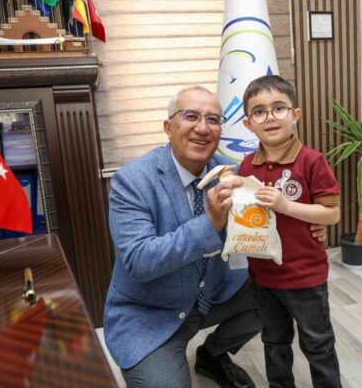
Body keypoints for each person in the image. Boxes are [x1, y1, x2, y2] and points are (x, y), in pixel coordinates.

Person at [104, 86, 327, 387]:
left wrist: (311, 221)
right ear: (168, 127)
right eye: (191, 116)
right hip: (151, 313)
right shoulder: (133, 180)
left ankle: (212, 355)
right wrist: (209, 223)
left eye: (212, 119)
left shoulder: (233, 173)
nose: (202, 128)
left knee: (275, 288)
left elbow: (273, 211)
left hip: (211, 294)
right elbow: (139, 262)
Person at [237, 75, 343, 387]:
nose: (270, 117)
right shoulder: (246, 166)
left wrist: (286, 206)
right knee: (274, 342)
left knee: (318, 344)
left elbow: (332, 213)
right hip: (264, 276)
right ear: (248, 124)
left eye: (279, 108)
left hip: (305, 276)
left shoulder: (311, 161)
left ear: (295, 115)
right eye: (259, 112)